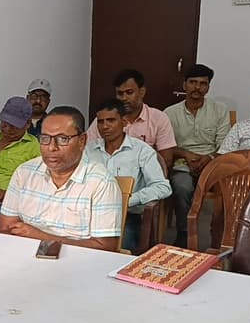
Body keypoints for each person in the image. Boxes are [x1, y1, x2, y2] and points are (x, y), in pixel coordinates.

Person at [0, 106, 122, 252]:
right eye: (45, 138)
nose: (51, 147)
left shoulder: (101, 182)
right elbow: (5, 229)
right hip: (24, 255)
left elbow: (106, 248)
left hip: (77, 260)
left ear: (82, 141)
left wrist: (41, 237)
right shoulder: (24, 172)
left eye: (63, 139)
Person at [87, 99, 172, 251]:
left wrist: (128, 200)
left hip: (126, 216)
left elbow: (162, 187)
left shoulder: (141, 151)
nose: (105, 126)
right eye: (100, 122)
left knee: (115, 251)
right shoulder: (88, 150)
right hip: (89, 214)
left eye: (111, 120)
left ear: (124, 122)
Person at [164, 64, 230, 247]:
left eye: (203, 84)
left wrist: (208, 158)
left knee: (226, 189)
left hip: (213, 164)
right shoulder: (169, 113)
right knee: (182, 186)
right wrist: (185, 154)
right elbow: (166, 145)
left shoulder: (220, 110)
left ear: (208, 87)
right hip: (182, 163)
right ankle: (184, 232)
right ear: (184, 85)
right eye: (193, 82)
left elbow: (225, 144)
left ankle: (219, 238)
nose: (197, 88)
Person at [86, 69, 177, 167]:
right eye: (120, 93)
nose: (124, 98)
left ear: (142, 92)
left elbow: (166, 160)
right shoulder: (104, 120)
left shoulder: (159, 119)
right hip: (107, 170)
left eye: (129, 92)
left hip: (144, 172)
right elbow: (88, 151)